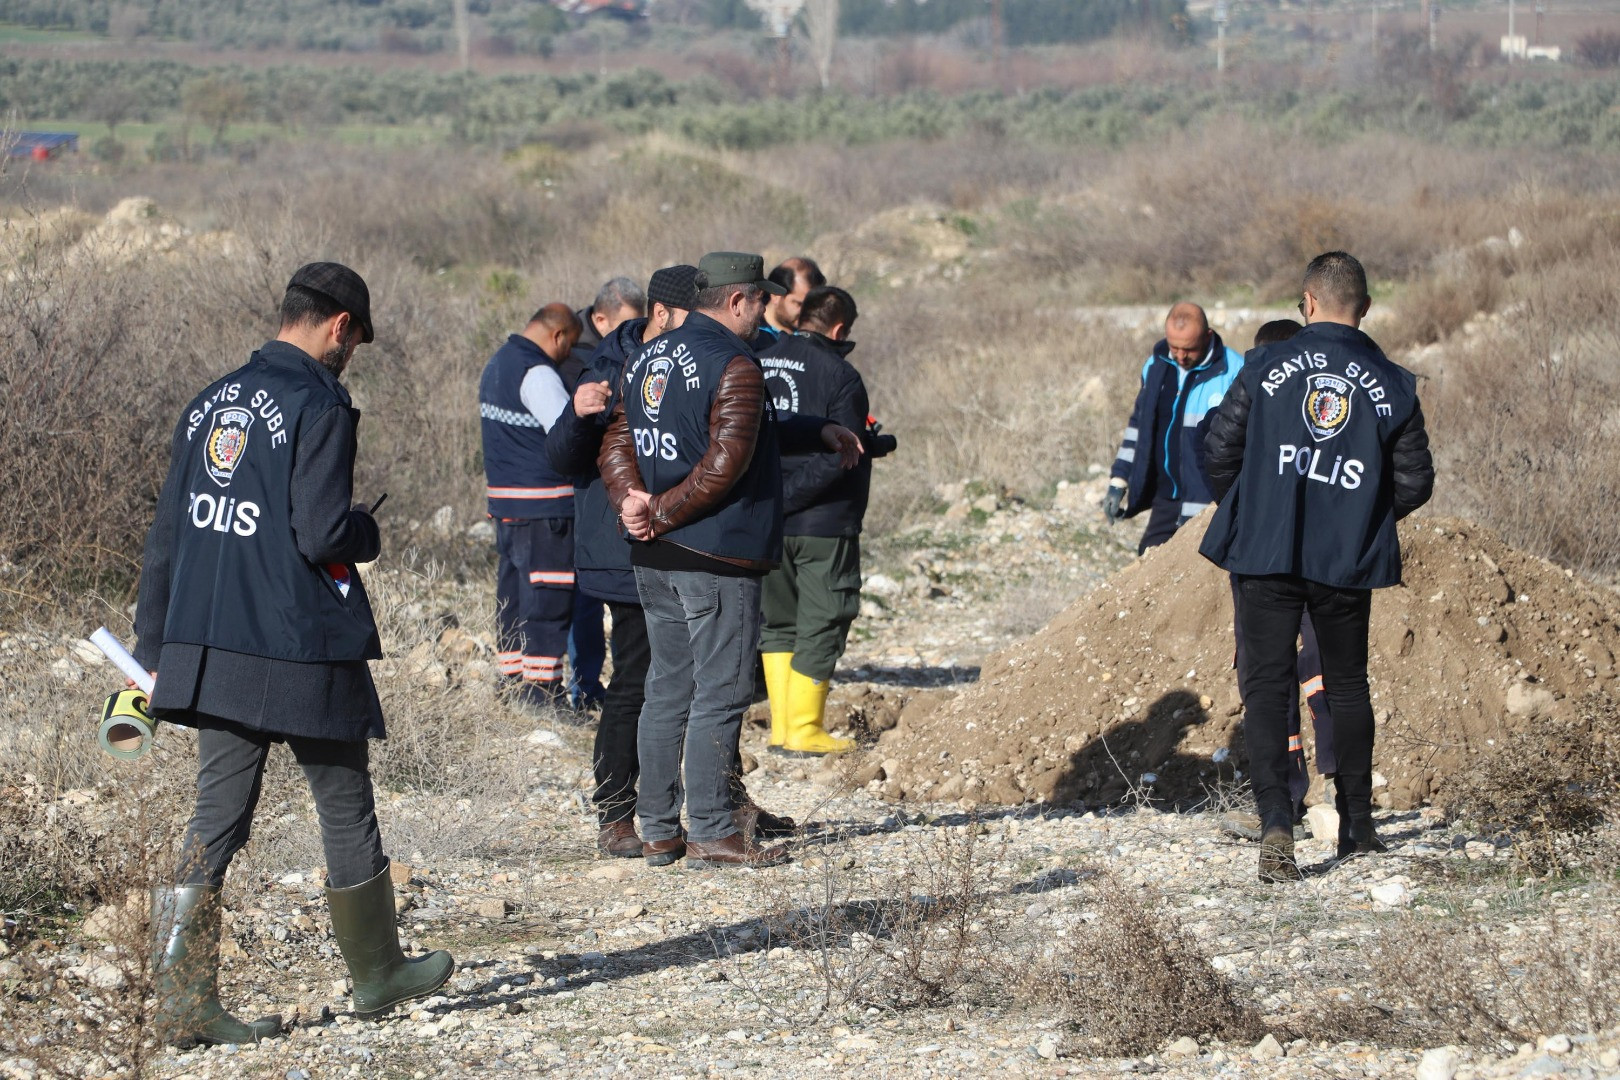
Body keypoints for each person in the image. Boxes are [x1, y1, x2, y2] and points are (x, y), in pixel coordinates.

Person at [132, 263, 454, 1046]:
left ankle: (181, 1002)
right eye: (356, 342)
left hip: (209, 641)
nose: (351, 355)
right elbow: (318, 533)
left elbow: (170, 532)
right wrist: (363, 532)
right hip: (300, 642)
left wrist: (154, 646)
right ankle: (378, 975)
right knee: (343, 801)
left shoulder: (210, 401)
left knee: (215, 820)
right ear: (340, 326)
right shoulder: (319, 401)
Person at [598, 251, 862, 869]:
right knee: (718, 693)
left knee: (667, 689)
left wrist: (632, 503)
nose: (767, 313)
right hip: (715, 553)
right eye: (762, 302)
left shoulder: (648, 354)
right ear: (737, 301)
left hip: (654, 553)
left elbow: (617, 436)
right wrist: (659, 509)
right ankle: (714, 829)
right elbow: (726, 461)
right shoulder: (736, 363)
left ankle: (659, 828)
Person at [1200, 252, 1434, 882]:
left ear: (1306, 302)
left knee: (1269, 689)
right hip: (1345, 560)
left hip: (1264, 554)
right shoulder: (1395, 384)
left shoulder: (1266, 364)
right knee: (1348, 685)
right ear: (1364, 308)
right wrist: (1354, 513)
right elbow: (1414, 482)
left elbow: (1219, 450)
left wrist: (1255, 507)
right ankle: (1357, 826)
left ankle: (1277, 821)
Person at [1211, 319, 1338, 842]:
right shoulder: (1256, 413)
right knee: (1274, 678)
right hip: (1274, 561)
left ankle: (1331, 794)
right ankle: (1285, 801)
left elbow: (1217, 460)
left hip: (1289, 562)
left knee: (1315, 669)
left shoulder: (1319, 416)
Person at [758, 285, 897, 756]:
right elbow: (843, 454)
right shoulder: (841, 374)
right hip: (822, 522)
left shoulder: (761, 358)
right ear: (839, 329)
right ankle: (804, 729)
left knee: (777, 622)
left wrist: (774, 502)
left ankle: (781, 727)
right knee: (824, 618)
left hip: (767, 521)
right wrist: (793, 499)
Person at [479, 303, 583, 709]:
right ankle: (542, 693)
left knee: (514, 597)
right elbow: (566, 435)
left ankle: (512, 681)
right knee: (548, 597)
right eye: (569, 345)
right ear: (557, 336)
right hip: (545, 508)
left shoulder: (498, 363)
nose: (569, 355)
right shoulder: (538, 373)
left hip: (507, 504)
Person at [566, 278, 648, 712]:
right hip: (598, 524)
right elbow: (563, 450)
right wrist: (579, 413)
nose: (633, 337)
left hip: (633, 529)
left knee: (638, 667)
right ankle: (582, 687)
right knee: (586, 614)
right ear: (599, 320)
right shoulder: (586, 364)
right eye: (624, 327)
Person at [1104, 303, 1243, 554]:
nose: (1180, 356)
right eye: (1174, 346)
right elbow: (1139, 426)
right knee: (1148, 565)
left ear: (1208, 336)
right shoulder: (1156, 366)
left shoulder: (1234, 372)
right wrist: (1119, 478)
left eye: (1189, 349)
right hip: (1165, 498)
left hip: (1207, 503)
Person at [758, 256, 825, 345]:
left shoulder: (815, 339)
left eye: (813, 305)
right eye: (799, 304)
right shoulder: (751, 334)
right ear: (775, 295)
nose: (807, 312)